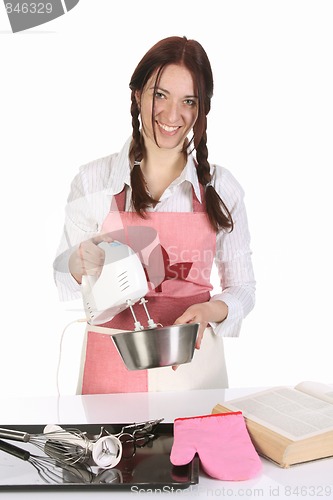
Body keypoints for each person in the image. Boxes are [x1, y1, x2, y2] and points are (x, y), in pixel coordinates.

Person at [53, 35, 255, 394]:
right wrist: (78, 264)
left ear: (200, 110)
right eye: (160, 95)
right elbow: (66, 282)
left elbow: (243, 288)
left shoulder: (222, 189)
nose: (172, 115)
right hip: (111, 372)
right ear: (137, 95)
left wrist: (211, 311)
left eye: (188, 101)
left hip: (193, 373)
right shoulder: (94, 181)